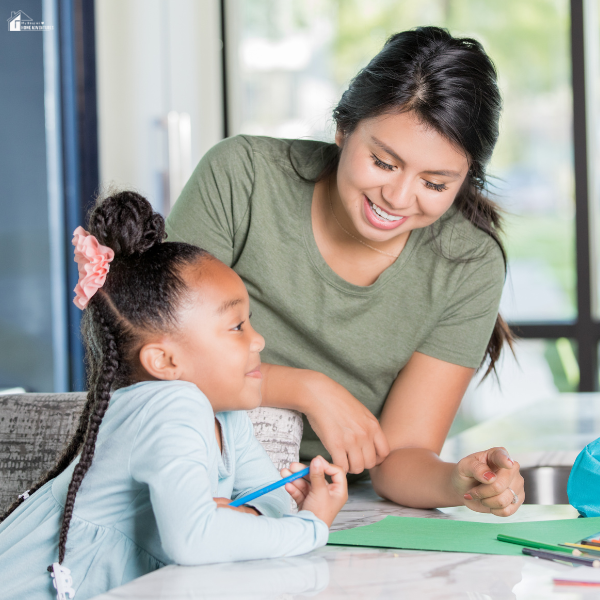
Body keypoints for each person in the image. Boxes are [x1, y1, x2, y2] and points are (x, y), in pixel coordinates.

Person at [165, 26, 525, 516]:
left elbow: (397, 460)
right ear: (343, 129)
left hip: (326, 504)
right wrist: (308, 389)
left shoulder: (468, 263)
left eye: (435, 183)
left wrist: (459, 482)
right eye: (382, 161)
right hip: (194, 474)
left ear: (464, 182)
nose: (397, 199)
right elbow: (161, 353)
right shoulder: (241, 178)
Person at [0, 192, 347, 600]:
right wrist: (312, 525)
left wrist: (244, 516)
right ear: (163, 361)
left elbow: (273, 502)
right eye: (237, 327)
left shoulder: (227, 419)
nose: (258, 340)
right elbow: (194, 540)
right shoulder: (171, 405)